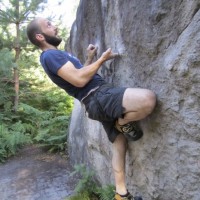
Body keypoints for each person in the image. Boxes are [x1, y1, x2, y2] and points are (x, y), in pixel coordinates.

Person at [27, 18, 156, 200]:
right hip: (98, 96)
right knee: (148, 99)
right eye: (48, 25)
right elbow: (80, 80)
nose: (55, 26)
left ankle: (121, 194)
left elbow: (79, 76)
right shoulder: (50, 56)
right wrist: (102, 59)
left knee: (119, 145)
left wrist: (89, 59)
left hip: (94, 101)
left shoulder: (56, 55)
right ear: (40, 36)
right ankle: (123, 121)